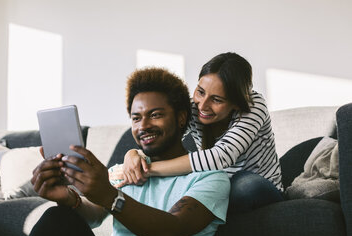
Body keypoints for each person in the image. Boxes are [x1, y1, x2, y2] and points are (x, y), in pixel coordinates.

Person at [23, 68, 230, 236]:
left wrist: (110, 195)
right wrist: (68, 198)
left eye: (156, 114)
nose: (143, 126)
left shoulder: (210, 177)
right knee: (58, 218)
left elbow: (171, 231)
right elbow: (94, 215)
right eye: (136, 118)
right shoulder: (125, 171)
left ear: (181, 117)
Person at [114, 52, 284, 213]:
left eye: (216, 100)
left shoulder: (254, 106)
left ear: (237, 103)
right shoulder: (194, 108)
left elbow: (220, 157)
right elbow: (164, 135)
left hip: (258, 186)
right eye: (200, 92)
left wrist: (148, 169)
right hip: (215, 186)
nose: (202, 106)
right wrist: (134, 154)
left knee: (244, 185)